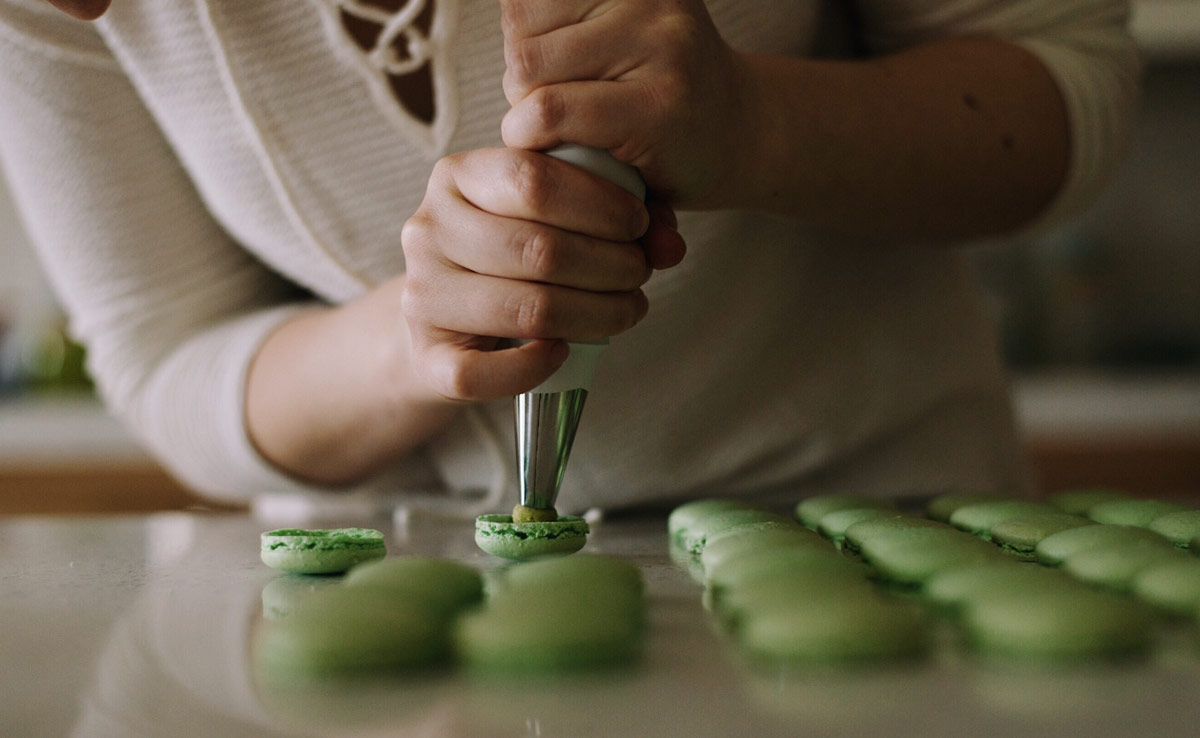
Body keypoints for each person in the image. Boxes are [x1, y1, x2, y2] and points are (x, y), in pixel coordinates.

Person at [0, 0, 1138, 512]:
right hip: (380, 651)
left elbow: (1064, 81)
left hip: (870, 552)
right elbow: (165, 357)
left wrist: (753, 127)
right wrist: (417, 336)